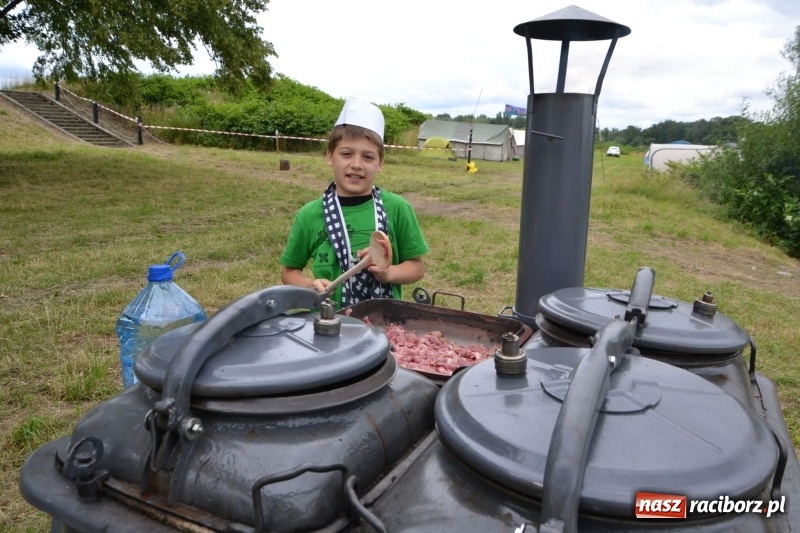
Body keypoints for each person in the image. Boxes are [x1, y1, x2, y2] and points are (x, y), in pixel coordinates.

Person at [280, 96, 429, 309]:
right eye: (347, 154)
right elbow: (289, 272)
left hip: (383, 325)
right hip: (328, 325)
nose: (356, 164)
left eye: (368, 157)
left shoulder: (397, 208)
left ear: (380, 163)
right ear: (330, 156)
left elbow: (416, 267)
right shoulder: (309, 215)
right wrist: (310, 285)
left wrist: (389, 273)